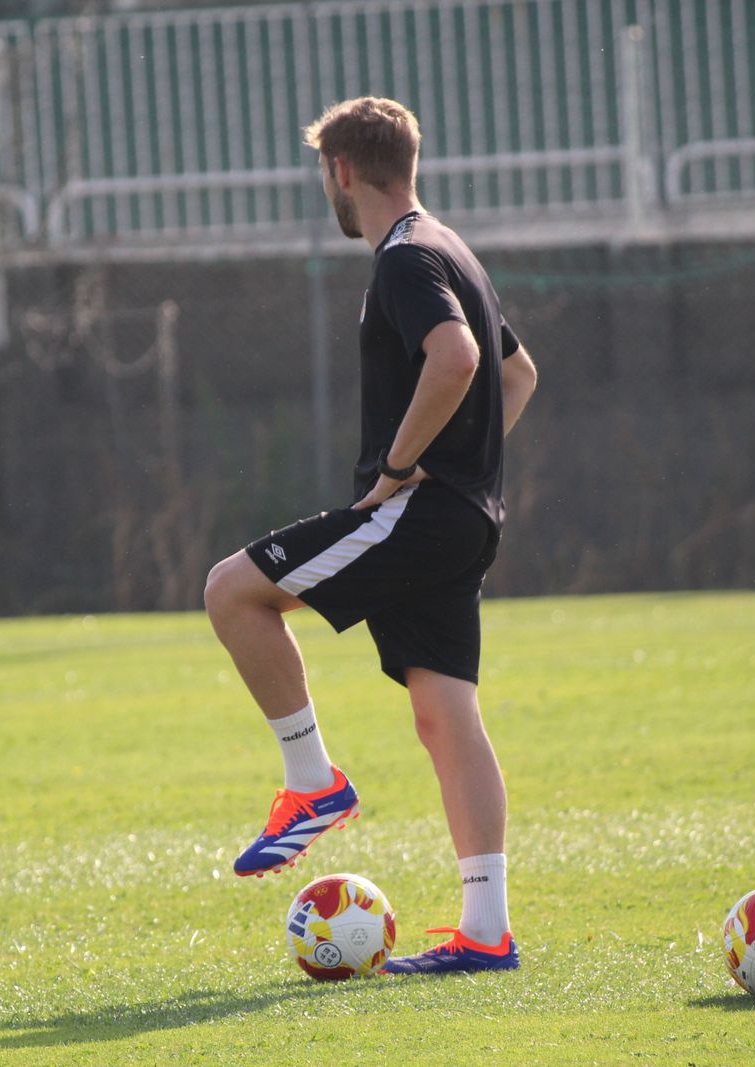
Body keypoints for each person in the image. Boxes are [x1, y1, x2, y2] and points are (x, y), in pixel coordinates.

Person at [204, 96, 539, 975]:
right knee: (445, 714)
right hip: (465, 517)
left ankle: (312, 782)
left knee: (232, 590)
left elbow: (461, 358)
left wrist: (400, 468)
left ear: (343, 171)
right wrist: (470, 461)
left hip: (418, 513)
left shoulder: (403, 258)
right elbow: (519, 374)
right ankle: (486, 930)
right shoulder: (452, 245)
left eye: (325, 173)